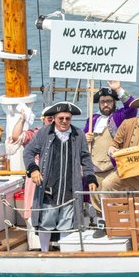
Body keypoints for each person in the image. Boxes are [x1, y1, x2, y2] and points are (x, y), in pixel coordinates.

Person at [22, 102, 97, 252]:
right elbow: (28, 152)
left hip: (70, 188)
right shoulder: (44, 133)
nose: (64, 121)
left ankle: (64, 253)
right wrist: (33, 169)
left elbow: (86, 158)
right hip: (49, 187)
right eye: (61, 118)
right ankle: (44, 251)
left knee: (66, 223)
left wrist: (90, 177)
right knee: (46, 222)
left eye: (67, 118)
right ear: (54, 118)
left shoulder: (78, 134)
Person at [84, 81, 137, 187]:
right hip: (95, 169)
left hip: (113, 168)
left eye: (108, 101)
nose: (105, 104)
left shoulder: (120, 116)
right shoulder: (92, 119)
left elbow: (132, 107)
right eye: (102, 102)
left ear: (115, 101)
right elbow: (82, 140)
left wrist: (118, 89)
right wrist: (85, 138)